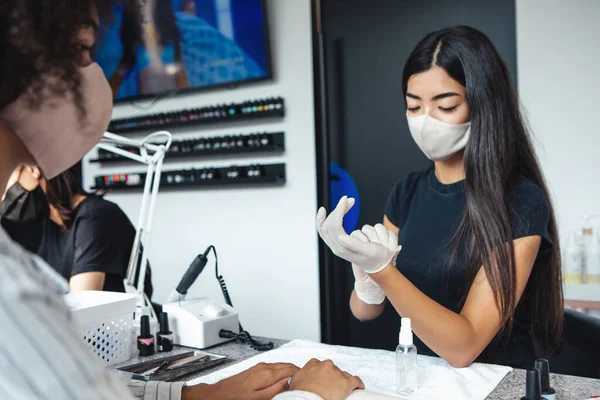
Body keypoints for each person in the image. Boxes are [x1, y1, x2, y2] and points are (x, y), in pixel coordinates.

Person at [0, 1, 363, 399]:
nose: (101, 80)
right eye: (83, 49)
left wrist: (196, 395)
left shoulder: (43, 251)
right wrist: (307, 396)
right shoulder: (11, 292)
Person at [317, 26, 564, 369]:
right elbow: (364, 312)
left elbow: (464, 348)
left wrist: (383, 270)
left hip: (494, 383)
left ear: (483, 105)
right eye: (413, 106)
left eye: (445, 106)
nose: (425, 122)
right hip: (423, 378)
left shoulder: (520, 201)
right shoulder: (407, 192)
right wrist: (365, 279)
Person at [1, 163, 153, 296]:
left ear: (32, 169)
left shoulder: (96, 217)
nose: (2, 195)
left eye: (6, 178)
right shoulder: (50, 224)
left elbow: (81, 307)